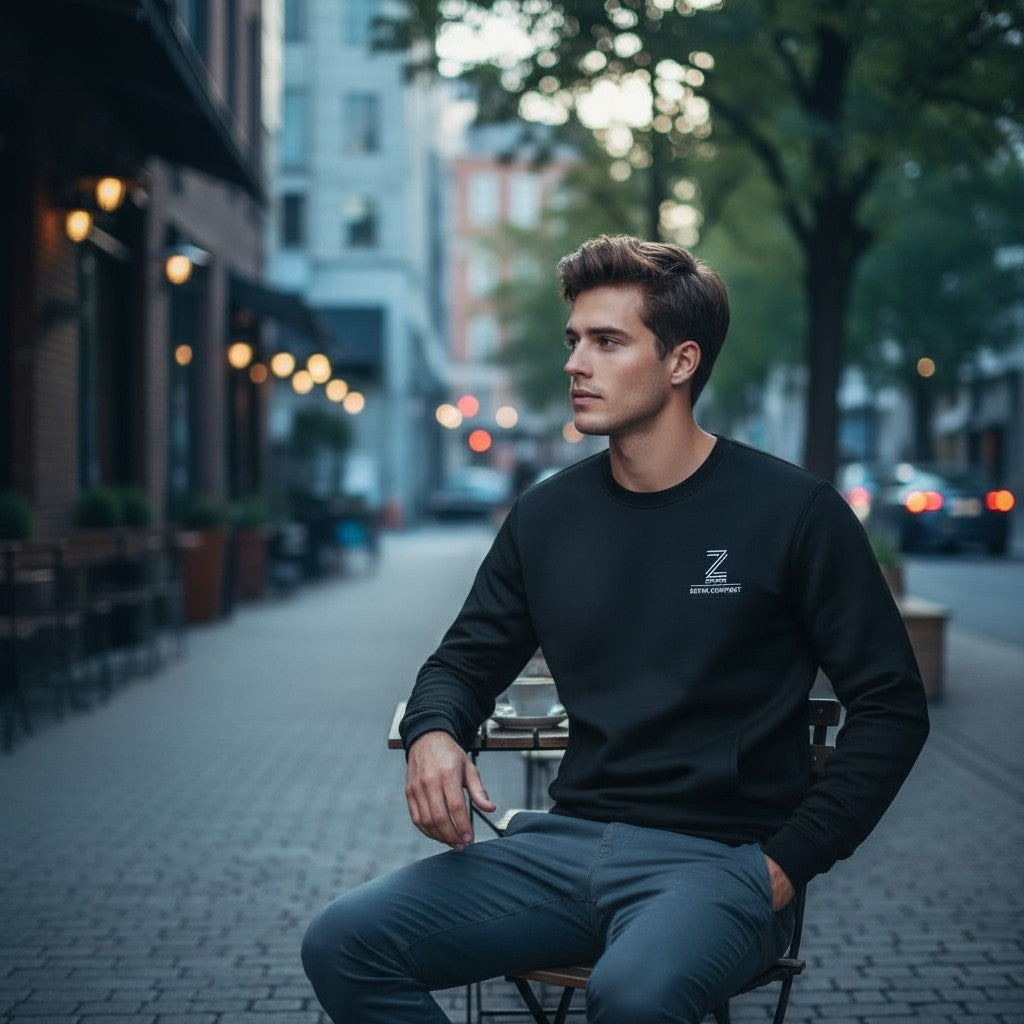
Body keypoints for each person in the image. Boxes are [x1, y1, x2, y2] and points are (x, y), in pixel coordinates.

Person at [302, 235, 930, 1024]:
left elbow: (892, 707)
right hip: (559, 848)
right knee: (344, 942)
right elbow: (461, 664)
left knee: (632, 996)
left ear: (681, 362)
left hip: (721, 865)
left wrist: (784, 865)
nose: (575, 364)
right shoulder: (546, 516)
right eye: (574, 341)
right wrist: (435, 730)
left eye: (607, 341)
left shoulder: (794, 514)